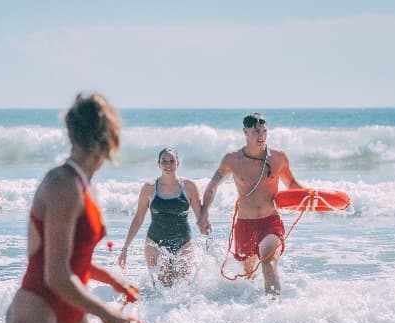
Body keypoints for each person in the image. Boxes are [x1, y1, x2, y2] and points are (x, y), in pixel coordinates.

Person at [5, 94, 136, 323]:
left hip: (71, 316)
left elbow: (75, 260)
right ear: (107, 137)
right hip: (35, 317)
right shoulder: (63, 184)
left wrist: (115, 282)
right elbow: (57, 274)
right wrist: (105, 312)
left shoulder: (82, 184)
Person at [197, 112, 304, 295]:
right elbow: (213, 185)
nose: (261, 136)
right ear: (245, 131)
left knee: (268, 265)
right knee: (248, 275)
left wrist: (315, 199)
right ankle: (252, 314)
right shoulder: (232, 160)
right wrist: (204, 213)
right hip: (244, 225)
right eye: (256, 131)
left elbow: (293, 185)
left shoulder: (278, 158)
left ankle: (274, 312)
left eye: (264, 131)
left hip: (270, 223)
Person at [118, 147, 202, 287]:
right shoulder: (149, 188)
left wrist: (211, 249)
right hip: (155, 244)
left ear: (178, 163)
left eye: (171, 161)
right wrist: (125, 249)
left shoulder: (189, 186)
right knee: (162, 290)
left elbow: (201, 218)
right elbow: (138, 219)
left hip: (184, 243)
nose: (168, 165)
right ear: (158, 164)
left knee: (184, 289)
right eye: (164, 161)